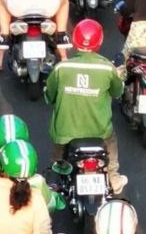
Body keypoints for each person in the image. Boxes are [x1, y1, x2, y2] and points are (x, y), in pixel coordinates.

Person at [45, 19, 128, 193]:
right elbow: (117, 92)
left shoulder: (61, 68)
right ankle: (113, 177)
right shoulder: (108, 69)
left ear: (74, 41)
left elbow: (49, 96)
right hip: (99, 131)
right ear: (100, 41)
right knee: (110, 140)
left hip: (65, 132)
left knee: (57, 156)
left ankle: (53, 180)